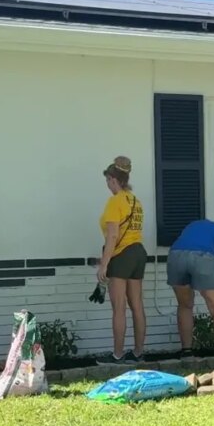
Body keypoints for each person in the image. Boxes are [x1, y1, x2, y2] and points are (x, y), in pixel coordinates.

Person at [167, 216, 214, 368]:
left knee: (185, 305)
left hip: (175, 256)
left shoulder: (197, 223)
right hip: (202, 257)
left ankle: (187, 352)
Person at [95, 156, 147, 365]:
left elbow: (113, 236)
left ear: (113, 179)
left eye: (108, 180)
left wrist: (104, 264)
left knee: (119, 308)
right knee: (137, 305)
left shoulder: (114, 202)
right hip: (138, 253)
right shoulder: (136, 201)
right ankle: (138, 352)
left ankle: (117, 354)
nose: (107, 184)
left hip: (121, 255)